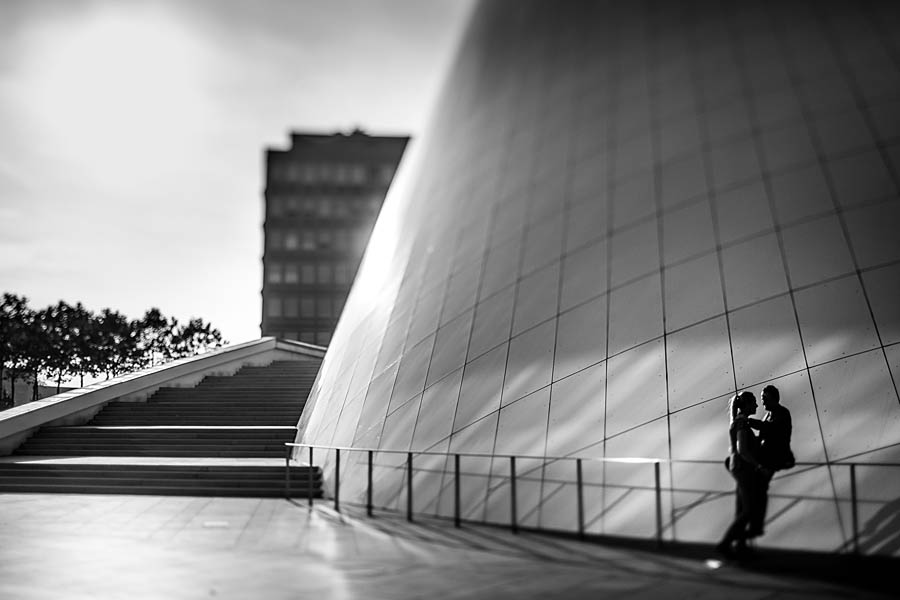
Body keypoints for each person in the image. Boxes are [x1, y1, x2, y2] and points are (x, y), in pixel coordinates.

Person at [716, 391, 771, 556]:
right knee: (749, 510)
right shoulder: (742, 423)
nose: (756, 405)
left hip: (739, 468)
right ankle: (725, 544)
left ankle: (739, 544)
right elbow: (743, 450)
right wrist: (759, 465)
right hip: (744, 470)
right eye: (753, 402)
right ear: (745, 405)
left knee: (742, 508)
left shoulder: (739, 421)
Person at [747, 384, 793, 538]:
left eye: (764, 399)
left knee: (759, 490)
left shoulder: (782, 413)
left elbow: (770, 429)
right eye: (762, 399)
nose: (763, 403)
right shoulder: (769, 415)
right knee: (758, 490)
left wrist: (748, 422)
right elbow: (762, 435)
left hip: (774, 459)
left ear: (774, 398)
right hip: (766, 458)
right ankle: (755, 525)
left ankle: (755, 525)